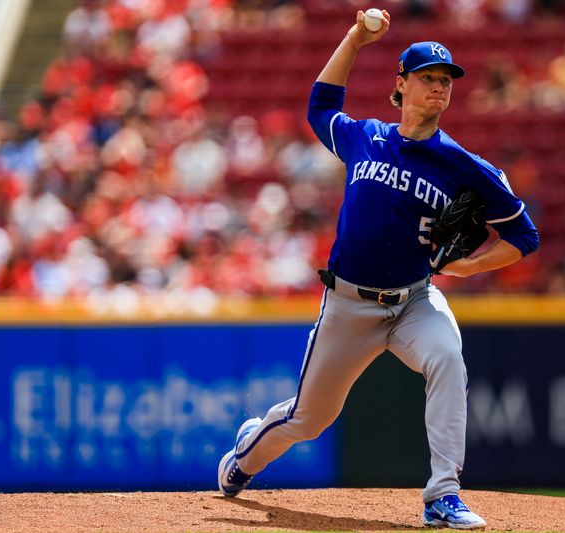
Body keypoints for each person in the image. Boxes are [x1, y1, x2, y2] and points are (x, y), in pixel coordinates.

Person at [217, 9, 539, 530]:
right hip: (348, 303)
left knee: (448, 360)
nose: (439, 88)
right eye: (428, 78)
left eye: (445, 81)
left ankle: (443, 495)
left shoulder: (465, 166)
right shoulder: (366, 136)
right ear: (402, 84)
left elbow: (525, 236)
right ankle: (242, 461)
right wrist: (354, 38)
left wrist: (468, 268)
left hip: (414, 299)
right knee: (310, 418)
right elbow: (320, 105)